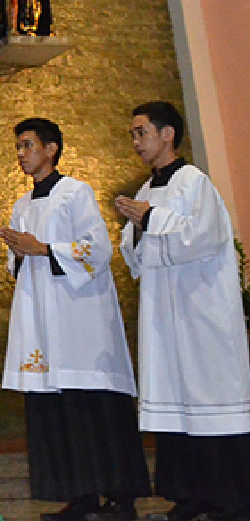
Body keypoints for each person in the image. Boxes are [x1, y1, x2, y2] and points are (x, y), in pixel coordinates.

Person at [0, 118, 149, 521]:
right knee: (58, 409)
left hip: (80, 323)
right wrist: (18, 251)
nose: (21, 153)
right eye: (18, 147)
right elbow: (19, 266)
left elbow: (97, 251)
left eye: (27, 145)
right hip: (44, 325)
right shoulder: (22, 204)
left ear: (51, 149)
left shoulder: (75, 193)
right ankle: (80, 495)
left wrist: (42, 248)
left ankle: (120, 499)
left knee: (92, 407)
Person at [117, 101, 250, 521]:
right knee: (177, 405)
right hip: (166, 319)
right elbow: (133, 254)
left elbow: (204, 238)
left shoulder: (195, 183)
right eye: (134, 135)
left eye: (142, 133)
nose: (136, 143)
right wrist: (139, 227)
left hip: (201, 317)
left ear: (168, 134)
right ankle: (190, 494)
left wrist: (152, 219)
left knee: (210, 405)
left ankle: (231, 500)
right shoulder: (145, 190)